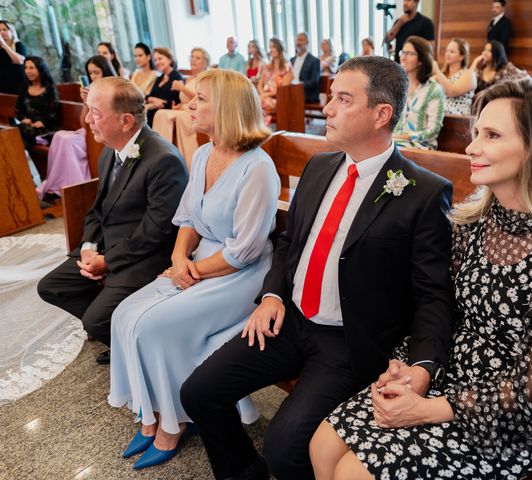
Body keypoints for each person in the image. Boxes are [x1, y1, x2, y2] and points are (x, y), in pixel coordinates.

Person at [311, 77, 532, 480]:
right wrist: (410, 367)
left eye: (491, 135)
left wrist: (432, 408)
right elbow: (439, 308)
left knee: (354, 473)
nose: (471, 146)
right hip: (451, 371)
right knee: (323, 444)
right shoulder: (475, 221)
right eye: (475, 133)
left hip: (516, 413)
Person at [181, 56, 455, 480]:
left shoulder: (422, 192)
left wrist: (423, 366)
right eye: (330, 97)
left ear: (381, 114)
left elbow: (432, 292)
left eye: (343, 100)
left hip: (347, 342)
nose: (326, 109)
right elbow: (288, 242)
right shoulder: (320, 166)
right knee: (198, 392)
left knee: (286, 447)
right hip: (289, 320)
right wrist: (271, 295)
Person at [109, 69, 278, 470]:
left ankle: (176, 424)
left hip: (240, 274)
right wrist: (179, 260)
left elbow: (245, 250)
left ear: (227, 108)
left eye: (200, 99)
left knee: (154, 326)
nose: (190, 104)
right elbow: (186, 217)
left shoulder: (258, 168)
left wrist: (194, 271)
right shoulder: (203, 154)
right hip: (201, 258)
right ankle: (151, 418)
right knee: (123, 315)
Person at [37, 76, 188, 365]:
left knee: (94, 321)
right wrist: (88, 248)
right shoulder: (110, 150)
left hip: (146, 256)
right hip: (109, 245)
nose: (87, 120)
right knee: (51, 286)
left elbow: (157, 231)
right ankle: (122, 337)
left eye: (96, 112)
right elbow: (97, 210)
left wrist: (108, 261)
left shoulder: (162, 160)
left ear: (126, 121)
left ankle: (136, 346)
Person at [35, 55, 116, 201]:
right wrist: (86, 102)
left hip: (103, 132)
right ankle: (58, 186)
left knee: (67, 142)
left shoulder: (114, 89)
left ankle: (73, 188)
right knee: (59, 135)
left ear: (105, 71)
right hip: (89, 130)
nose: (93, 76)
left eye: (96, 72)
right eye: (90, 73)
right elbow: (83, 122)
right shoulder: (92, 90)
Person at [153, 47, 209, 169]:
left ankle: (163, 155)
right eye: (192, 57)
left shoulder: (206, 77)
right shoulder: (189, 78)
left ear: (205, 62)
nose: (193, 60)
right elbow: (186, 101)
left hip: (198, 113)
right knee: (160, 114)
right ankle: (161, 153)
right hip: (185, 111)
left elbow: (203, 98)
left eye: (197, 58)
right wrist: (178, 106)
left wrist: (182, 88)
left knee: (162, 114)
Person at [393, 36, 445, 150]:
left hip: (422, 146)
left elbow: (433, 131)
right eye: (403, 52)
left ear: (421, 60)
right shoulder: (398, 87)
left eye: (409, 54)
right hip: (395, 143)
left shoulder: (434, 90)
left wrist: (404, 137)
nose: (403, 57)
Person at [16, 56, 59, 151]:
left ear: (40, 69)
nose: (27, 71)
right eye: (26, 68)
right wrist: (24, 119)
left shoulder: (50, 88)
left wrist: (43, 122)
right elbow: (18, 110)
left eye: (31, 68)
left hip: (47, 128)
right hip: (28, 126)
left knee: (20, 132)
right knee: (13, 131)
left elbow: (54, 113)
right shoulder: (24, 87)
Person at [431, 38, 477, 115]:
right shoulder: (441, 75)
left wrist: (437, 71)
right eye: (446, 51)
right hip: (438, 113)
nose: (447, 54)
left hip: (458, 116)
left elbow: (452, 91)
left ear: (462, 56)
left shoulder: (469, 74)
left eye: (452, 52)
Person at [258, 38, 292, 126]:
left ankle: (262, 128)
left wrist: (265, 95)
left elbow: (282, 90)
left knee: (261, 103)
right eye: (270, 47)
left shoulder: (286, 67)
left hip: (278, 99)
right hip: (264, 97)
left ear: (279, 48)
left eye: (273, 47)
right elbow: (259, 85)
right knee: (252, 103)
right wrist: (262, 95)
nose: (271, 50)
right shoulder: (267, 66)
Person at [145, 47, 184, 125]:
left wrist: (152, 103)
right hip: (153, 114)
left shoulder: (177, 77)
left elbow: (172, 101)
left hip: (165, 116)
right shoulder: (159, 78)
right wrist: (152, 99)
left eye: (160, 58)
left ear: (169, 59)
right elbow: (148, 96)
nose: (157, 62)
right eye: (155, 60)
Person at [291, 32, 321, 103]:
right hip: (292, 90)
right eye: (297, 40)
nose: (298, 42)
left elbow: (314, 82)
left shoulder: (314, 61)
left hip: (307, 92)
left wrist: (299, 85)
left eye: (301, 40)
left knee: (286, 97)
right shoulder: (292, 60)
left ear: (307, 42)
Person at [0, 20, 27, 94]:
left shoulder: (19, 45)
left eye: (4, 29)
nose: (1, 32)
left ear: (12, 31)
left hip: (19, 87)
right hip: (3, 89)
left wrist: (4, 45)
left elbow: (19, 61)